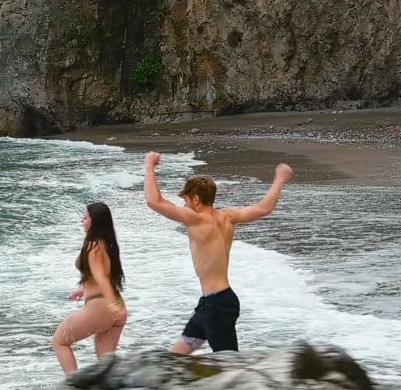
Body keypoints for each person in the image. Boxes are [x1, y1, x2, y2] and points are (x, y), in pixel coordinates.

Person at [142, 151, 292, 354]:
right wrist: (279, 179)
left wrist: (150, 165)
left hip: (217, 305)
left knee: (229, 365)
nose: (184, 205)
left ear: (195, 199)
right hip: (211, 303)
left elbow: (154, 201)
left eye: (185, 200)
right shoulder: (228, 216)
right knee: (175, 357)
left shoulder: (196, 219)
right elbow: (264, 208)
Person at [51, 201, 128, 375]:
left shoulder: (92, 244)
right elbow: (105, 275)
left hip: (102, 307)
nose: (82, 221)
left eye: (85, 218)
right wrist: (84, 290)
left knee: (59, 341)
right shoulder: (108, 244)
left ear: (95, 221)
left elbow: (100, 275)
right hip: (118, 309)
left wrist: (110, 303)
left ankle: (74, 389)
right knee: (105, 363)